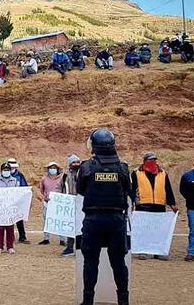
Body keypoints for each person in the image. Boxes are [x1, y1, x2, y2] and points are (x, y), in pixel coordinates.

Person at [77, 129, 133, 305]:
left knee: (91, 262)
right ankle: (123, 300)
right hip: (116, 221)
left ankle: (88, 301)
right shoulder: (122, 167)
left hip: (93, 220)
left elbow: (80, 189)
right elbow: (128, 189)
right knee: (118, 262)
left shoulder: (86, 167)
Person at [131, 152, 178, 260]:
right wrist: (132, 204)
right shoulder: (136, 173)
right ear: (145, 161)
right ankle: (143, 251)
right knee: (144, 229)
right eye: (150, 160)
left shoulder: (163, 173)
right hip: (143, 205)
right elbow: (132, 190)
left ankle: (158, 251)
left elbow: (168, 189)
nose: (153, 162)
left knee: (159, 230)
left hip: (159, 205)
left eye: (154, 160)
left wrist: (172, 204)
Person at [0, 163, 19, 254]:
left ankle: (10, 246)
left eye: (7, 169)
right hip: (0, 207)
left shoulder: (14, 181)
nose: (6, 171)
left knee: (10, 227)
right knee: (1, 227)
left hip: (10, 207)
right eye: (4, 169)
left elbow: (18, 193)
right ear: (1, 170)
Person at [38, 162, 66, 246]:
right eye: (51, 167)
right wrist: (45, 197)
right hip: (47, 202)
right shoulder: (44, 179)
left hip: (58, 203)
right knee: (46, 220)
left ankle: (62, 239)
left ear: (57, 169)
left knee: (60, 220)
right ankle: (46, 238)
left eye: (54, 168)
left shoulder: (62, 178)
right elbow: (41, 190)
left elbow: (64, 189)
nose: (52, 169)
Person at [60, 154, 81, 257]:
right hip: (69, 204)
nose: (76, 164)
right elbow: (60, 187)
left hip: (81, 203)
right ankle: (69, 247)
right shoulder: (65, 175)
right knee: (70, 226)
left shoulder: (84, 172)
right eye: (74, 162)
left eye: (77, 162)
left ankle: (80, 247)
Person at [8, 158, 30, 244]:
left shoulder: (20, 176)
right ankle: (10, 237)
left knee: (19, 219)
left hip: (18, 200)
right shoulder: (3, 175)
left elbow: (24, 187)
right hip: (8, 201)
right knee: (9, 220)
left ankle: (22, 236)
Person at [180, 162, 194, 262]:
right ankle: (191, 252)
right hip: (192, 208)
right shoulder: (187, 176)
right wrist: (190, 199)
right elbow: (182, 190)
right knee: (193, 230)